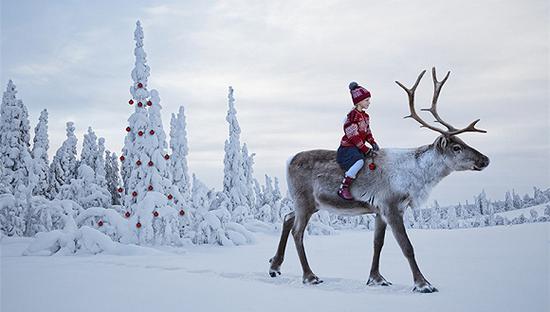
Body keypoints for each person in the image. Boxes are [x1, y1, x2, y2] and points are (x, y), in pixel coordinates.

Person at [336, 82, 379, 200]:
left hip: (358, 147)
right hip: (348, 148)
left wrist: (372, 142)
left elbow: (367, 131)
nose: (369, 102)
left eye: (369, 100)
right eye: (366, 100)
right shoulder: (353, 116)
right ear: (358, 101)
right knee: (359, 162)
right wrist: (365, 149)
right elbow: (353, 136)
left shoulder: (365, 117)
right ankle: (344, 187)